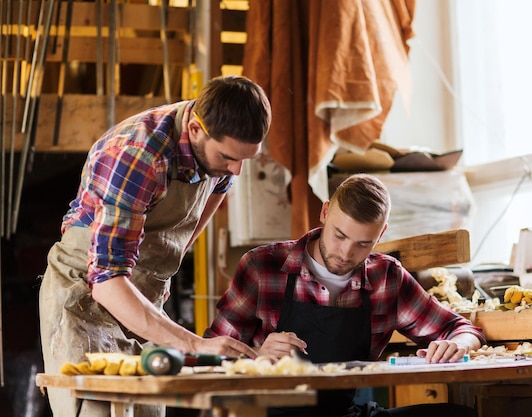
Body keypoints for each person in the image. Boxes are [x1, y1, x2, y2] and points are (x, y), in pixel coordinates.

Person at [39, 75, 270, 417]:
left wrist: (158, 280)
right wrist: (195, 344)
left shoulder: (222, 152)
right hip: (86, 295)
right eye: (228, 157)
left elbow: (197, 216)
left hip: (143, 294)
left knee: (148, 411)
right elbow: (106, 282)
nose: (236, 169)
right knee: (97, 411)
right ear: (194, 130)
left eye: (244, 160)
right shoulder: (136, 155)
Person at [205, 173, 486, 417]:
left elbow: (461, 328)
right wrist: (256, 357)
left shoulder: (385, 277)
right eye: (339, 236)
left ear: (381, 234)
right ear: (325, 212)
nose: (345, 253)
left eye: (362, 244)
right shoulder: (262, 267)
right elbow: (209, 356)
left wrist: (458, 345)